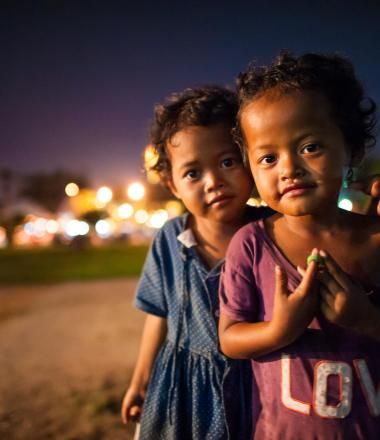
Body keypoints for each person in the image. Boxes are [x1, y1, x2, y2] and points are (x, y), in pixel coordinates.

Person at [218, 52, 380, 439]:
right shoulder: (252, 245)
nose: (288, 168)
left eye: (310, 147)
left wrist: (367, 320)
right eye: (268, 158)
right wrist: (278, 330)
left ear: (352, 148)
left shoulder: (375, 239)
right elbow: (229, 338)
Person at [120, 86, 273, 439]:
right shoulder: (170, 239)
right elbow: (158, 316)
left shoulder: (276, 230)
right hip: (181, 389)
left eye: (228, 161)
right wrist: (140, 381)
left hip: (256, 387)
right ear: (171, 184)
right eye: (192, 173)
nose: (214, 181)